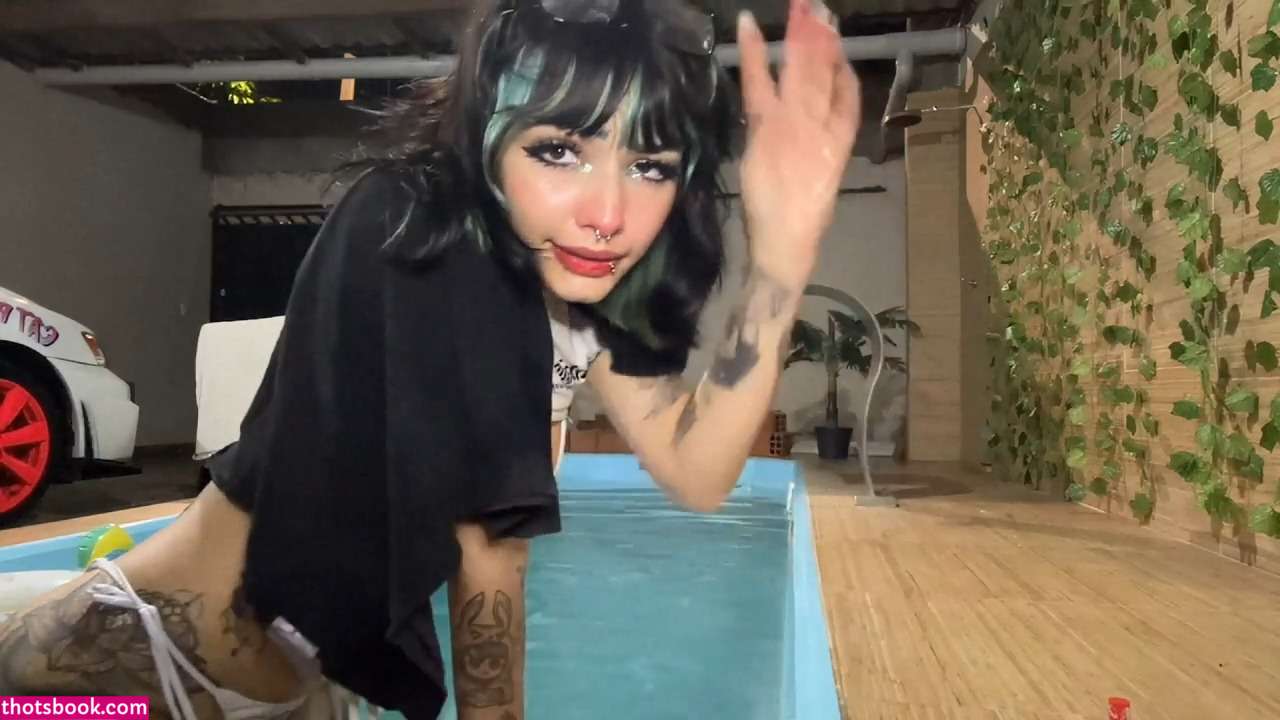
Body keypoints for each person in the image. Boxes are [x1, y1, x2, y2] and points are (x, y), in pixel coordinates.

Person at [0, 0, 860, 717]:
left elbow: (696, 469)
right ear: (488, 138)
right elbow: (490, 566)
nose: (607, 214)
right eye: (559, 150)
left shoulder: (573, 284)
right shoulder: (421, 234)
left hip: (297, 684)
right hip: (136, 662)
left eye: (649, 166)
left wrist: (782, 260)